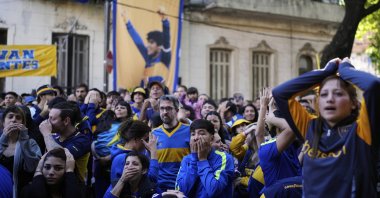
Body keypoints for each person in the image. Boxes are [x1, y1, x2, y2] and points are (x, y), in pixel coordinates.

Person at [272, 57, 380, 197]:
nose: (329, 99)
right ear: (318, 103)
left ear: (353, 103)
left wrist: (345, 69)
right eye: (324, 94)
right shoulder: (309, 127)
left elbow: (373, 85)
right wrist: (324, 72)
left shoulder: (362, 131)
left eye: (338, 93)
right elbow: (280, 93)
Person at [175, 119, 234, 197]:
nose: (196, 138)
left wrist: (203, 160)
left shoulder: (225, 158)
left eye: (201, 134)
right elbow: (180, 191)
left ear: (211, 139)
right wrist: (194, 159)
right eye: (193, 134)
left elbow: (214, 190)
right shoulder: (187, 160)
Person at [39, 102, 91, 182]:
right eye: (48, 118)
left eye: (52, 119)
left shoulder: (82, 141)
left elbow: (58, 158)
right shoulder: (54, 137)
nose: (47, 122)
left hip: (73, 189)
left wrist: (46, 134)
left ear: (66, 121)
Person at [0, 106, 42, 198]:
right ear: (3, 122)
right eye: (10, 117)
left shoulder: (31, 143)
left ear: (23, 124)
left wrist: (24, 140)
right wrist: (3, 139)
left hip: (20, 192)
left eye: (18, 118)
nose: (14, 120)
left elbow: (32, 167)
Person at [122, 8, 171, 86]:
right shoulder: (148, 57)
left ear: (159, 46)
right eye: (148, 42)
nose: (148, 45)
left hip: (160, 95)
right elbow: (139, 42)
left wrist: (165, 21)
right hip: (147, 94)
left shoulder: (165, 57)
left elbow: (166, 39)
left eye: (151, 42)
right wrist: (127, 23)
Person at [152, 95, 191, 191]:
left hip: (184, 186)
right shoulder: (153, 134)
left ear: (177, 111)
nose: (165, 112)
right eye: (162, 108)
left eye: (169, 108)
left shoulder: (189, 131)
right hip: (160, 187)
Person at [21, 148, 85, 198]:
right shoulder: (28, 191)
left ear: (67, 170)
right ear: (41, 167)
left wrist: (70, 170)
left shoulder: (80, 191)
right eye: (47, 167)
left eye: (58, 168)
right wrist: (38, 170)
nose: (51, 172)